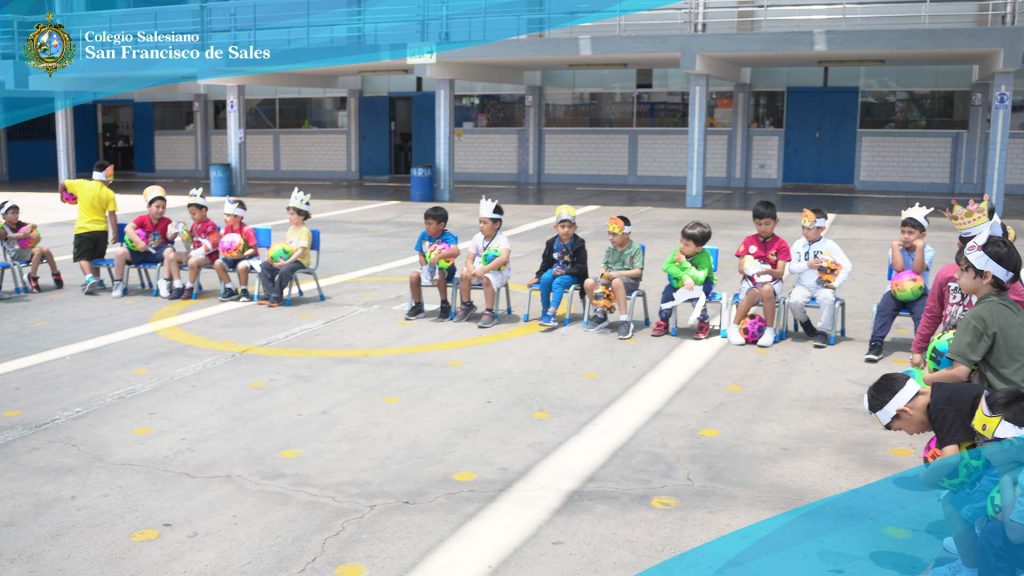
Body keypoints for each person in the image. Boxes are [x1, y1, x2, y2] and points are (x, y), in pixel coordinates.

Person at [912, 197, 1024, 369]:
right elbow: (932, 312)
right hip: (948, 358)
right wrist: (918, 349)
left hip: (989, 364)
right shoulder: (946, 274)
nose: (958, 275)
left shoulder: (1009, 283)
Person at [864, 203, 936, 362]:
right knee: (884, 309)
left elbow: (917, 270)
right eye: (903, 232)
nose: (906, 236)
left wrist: (920, 248)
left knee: (923, 314)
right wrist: (895, 248)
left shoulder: (928, 250)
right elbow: (899, 268)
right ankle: (876, 344)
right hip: (895, 290)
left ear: (922, 235)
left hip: (918, 292)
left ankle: (920, 348)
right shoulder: (896, 248)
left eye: (911, 233)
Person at [727, 200, 790, 348]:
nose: (763, 228)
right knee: (754, 292)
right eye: (758, 224)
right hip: (751, 281)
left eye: (767, 224)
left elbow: (780, 272)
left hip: (772, 282)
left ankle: (769, 331)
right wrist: (749, 268)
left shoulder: (781, 244)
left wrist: (768, 271)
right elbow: (740, 268)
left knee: (766, 290)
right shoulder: (748, 241)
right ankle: (733, 328)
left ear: (776, 222)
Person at [786, 208, 852, 348]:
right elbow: (791, 268)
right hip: (803, 285)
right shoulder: (798, 244)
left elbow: (847, 265)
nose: (805, 232)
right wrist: (807, 265)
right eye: (803, 228)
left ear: (821, 228)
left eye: (809, 228)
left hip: (823, 286)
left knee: (827, 299)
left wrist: (836, 284)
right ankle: (806, 323)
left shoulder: (829, 245)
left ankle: (823, 332)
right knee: (794, 301)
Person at [453, 196, 511, 328]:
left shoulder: (502, 239)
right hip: (478, 269)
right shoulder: (477, 237)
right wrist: (470, 268)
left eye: (485, 223)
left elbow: (504, 258)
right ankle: (467, 305)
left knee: (487, 279)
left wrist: (484, 270)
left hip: (498, 271)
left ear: (496, 225)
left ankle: (489, 312)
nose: (481, 226)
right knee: (464, 275)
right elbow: (469, 258)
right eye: (480, 222)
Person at [583, 216, 644, 340]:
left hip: (629, 280)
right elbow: (603, 266)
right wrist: (602, 276)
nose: (610, 237)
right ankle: (600, 314)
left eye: (614, 234)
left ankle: (625, 320)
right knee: (588, 282)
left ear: (626, 234)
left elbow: (638, 272)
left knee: (616, 282)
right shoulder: (610, 249)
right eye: (609, 234)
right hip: (611, 279)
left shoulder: (635, 248)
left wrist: (619, 273)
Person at [111, 186, 178, 299]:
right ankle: (118, 283)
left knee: (170, 251)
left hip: (157, 252)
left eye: (163, 207)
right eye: (157, 207)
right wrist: (138, 242)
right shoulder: (142, 219)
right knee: (120, 253)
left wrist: (175, 232)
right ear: (148, 207)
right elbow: (128, 228)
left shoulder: (167, 221)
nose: (160, 210)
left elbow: (169, 238)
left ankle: (165, 282)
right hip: (139, 251)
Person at [61, 160, 117, 295]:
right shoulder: (109, 193)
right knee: (97, 258)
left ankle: (89, 277)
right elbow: (112, 215)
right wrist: (115, 232)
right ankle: (97, 280)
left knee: (83, 257)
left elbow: (62, 183)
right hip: (101, 231)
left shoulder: (81, 184)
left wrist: (61, 197)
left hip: (84, 229)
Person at [652, 221, 715, 339]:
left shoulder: (705, 256)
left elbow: (700, 279)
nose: (681, 246)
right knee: (667, 292)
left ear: (698, 248)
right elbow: (667, 266)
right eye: (681, 241)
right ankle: (663, 321)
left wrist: (684, 263)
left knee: (697, 295)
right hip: (681, 282)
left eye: (686, 244)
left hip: (704, 283)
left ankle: (703, 322)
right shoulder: (678, 251)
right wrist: (684, 277)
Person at [528, 205, 588, 328]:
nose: (566, 230)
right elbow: (545, 263)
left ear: (575, 228)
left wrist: (565, 272)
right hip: (555, 270)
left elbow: (581, 268)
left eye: (569, 227)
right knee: (545, 279)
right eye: (562, 226)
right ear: (555, 227)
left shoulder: (579, 244)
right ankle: (546, 312)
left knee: (558, 282)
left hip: (572, 274)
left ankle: (551, 312)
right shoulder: (551, 243)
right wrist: (538, 277)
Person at [258, 188, 313, 307]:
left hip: (300, 261)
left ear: (302, 215)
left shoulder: (304, 231)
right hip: (289, 259)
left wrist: (286, 263)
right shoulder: (291, 229)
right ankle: (269, 293)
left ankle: (277, 296)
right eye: (289, 213)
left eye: (292, 214)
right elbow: (286, 248)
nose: (289, 216)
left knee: (285, 270)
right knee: (265, 266)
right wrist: (274, 257)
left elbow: (300, 251)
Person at [405, 205, 460, 321]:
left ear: (441, 225)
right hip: (428, 267)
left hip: (446, 269)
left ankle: (444, 304)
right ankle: (418, 306)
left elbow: (456, 251)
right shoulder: (424, 235)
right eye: (426, 223)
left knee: (439, 273)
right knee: (413, 276)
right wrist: (425, 267)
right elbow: (421, 254)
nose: (427, 227)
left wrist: (438, 257)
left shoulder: (447, 237)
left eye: (430, 224)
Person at [0, 199, 63, 292]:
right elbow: (12, 236)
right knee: (38, 251)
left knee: (45, 250)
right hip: (16, 254)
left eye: (17, 213)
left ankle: (55, 273)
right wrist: (25, 234)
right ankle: (32, 277)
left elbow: (34, 226)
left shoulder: (20, 224)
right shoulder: (3, 228)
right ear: (4, 215)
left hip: (27, 251)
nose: (16, 215)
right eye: (12, 213)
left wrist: (34, 233)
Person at [179, 188, 221, 300]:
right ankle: (176, 284)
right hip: (195, 253)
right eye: (190, 214)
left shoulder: (210, 225)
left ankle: (189, 287)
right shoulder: (195, 225)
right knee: (172, 257)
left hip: (209, 256)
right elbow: (189, 241)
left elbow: (213, 244)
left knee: (192, 262)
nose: (192, 217)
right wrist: (181, 231)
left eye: (194, 214)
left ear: (203, 211)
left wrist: (194, 253)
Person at [214, 197, 259, 302]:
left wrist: (241, 255)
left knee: (241, 266)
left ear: (238, 217)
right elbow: (224, 244)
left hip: (249, 257)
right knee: (218, 263)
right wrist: (222, 249)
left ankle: (244, 290)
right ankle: (230, 288)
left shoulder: (247, 230)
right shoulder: (227, 229)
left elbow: (254, 249)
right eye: (225, 214)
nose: (225, 217)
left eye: (228, 215)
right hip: (233, 257)